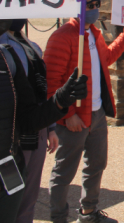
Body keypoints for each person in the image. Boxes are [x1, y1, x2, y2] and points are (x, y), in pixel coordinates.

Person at [45, 0, 124, 223]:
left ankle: (88, 212)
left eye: (96, 6)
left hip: (96, 113)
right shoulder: (62, 37)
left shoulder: (94, 34)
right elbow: (51, 82)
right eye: (89, 6)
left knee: (96, 165)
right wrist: (67, 114)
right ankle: (58, 218)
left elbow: (105, 60)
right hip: (74, 118)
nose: (94, 10)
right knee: (64, 171)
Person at [0, 19, 87, 223]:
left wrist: (59, 101)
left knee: (18, 210)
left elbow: (28, 118)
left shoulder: (7, 57)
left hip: (8, 164)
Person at [0, 20, 59, 223]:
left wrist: (51, 128)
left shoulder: (32, 47)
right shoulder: (4, 49)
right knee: (11, 196)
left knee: (29, 195)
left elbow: (42, 91)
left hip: (37, 128)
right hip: (13, 136)